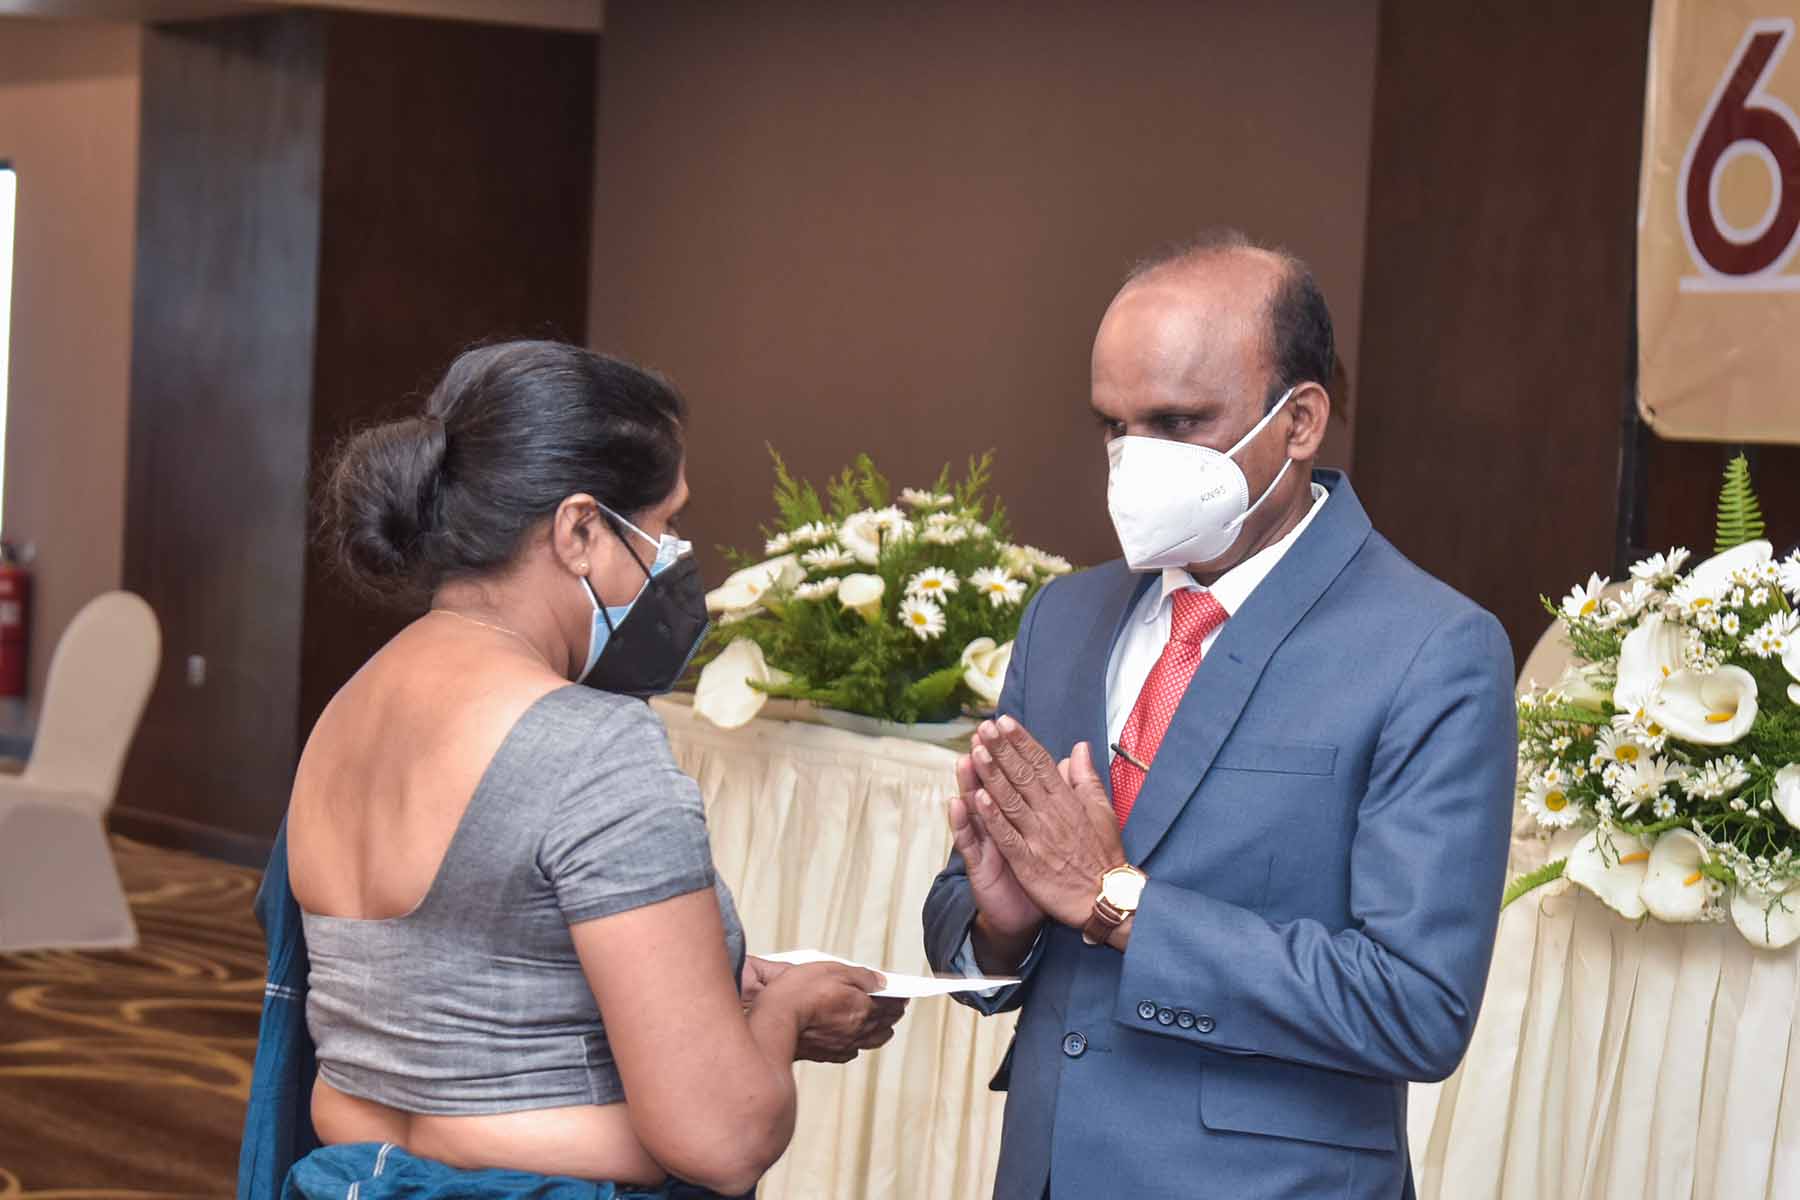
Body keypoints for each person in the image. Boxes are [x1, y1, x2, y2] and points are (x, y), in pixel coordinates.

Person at [921, 231, 1516, 1199]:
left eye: (1177, 422)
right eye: (1115, 427)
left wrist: (1119, 902)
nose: (1135, 462)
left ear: (1300, 421)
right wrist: (1000, 924)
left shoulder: (1432, 649)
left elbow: (1417, 1006)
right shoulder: (1064, 618)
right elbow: (971, 914)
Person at [247, 341, 905, 1199]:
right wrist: (784, 1013)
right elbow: (723, 1138)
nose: (673, 557)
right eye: (664, 527)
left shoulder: (345, 711)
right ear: (581, 530)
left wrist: (708, 990)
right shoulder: (596, 746)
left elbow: (456, 973)